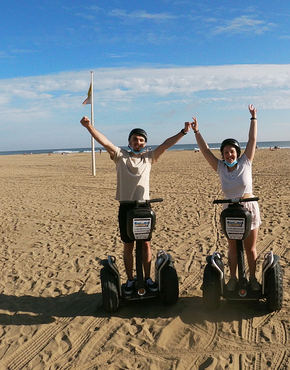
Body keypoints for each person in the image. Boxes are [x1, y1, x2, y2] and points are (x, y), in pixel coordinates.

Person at [80, 116, 191, 294]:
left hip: (144, 208)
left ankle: (147, 278)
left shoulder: (149, 157)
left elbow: (165, 144)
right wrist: (88, 127)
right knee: (128, 245)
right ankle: (131, 280)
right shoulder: (120, 155)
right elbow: (104, 141)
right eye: (134, 139)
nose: (137, 142)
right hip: (126, 207)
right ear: (129, 142)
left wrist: (184, 132)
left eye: (141, 140)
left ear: (145, 143)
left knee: (146, 244)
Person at [191, 105, 261, 292]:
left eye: (232, 151)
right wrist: (197, 131)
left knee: (250, 248)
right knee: (232, 248)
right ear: (222, 154)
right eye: (226, 152)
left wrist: (253, 118)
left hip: (249, 208)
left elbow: (252, 139)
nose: (229, 155)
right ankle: (233, 278)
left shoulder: (246, 161)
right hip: (230, 211)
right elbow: (205, 151)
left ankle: (253, 278)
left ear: (237, 152)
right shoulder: (220, 167)